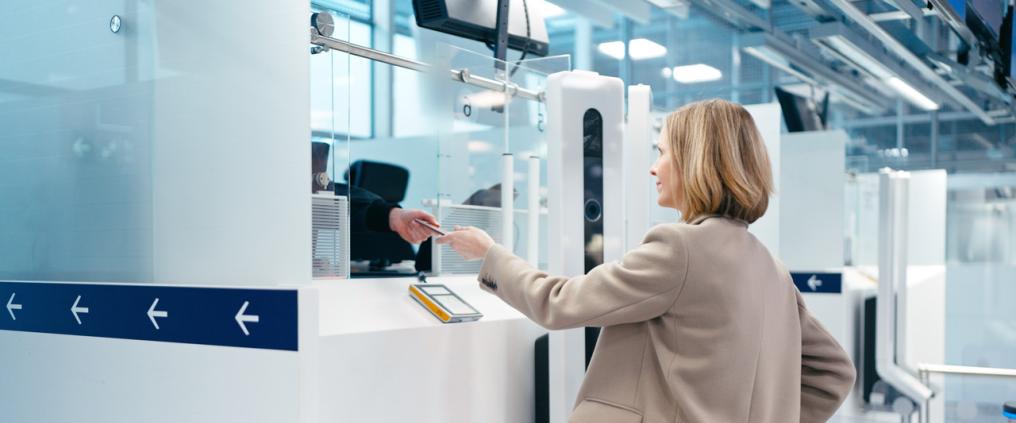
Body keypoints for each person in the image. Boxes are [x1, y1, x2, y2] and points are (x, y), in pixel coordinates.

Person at [437, 99, 856, 423]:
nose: (654, 168)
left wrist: (490, 255)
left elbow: (560, 303)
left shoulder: (681, 248)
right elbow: (835, 373)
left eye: (663, 152)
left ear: (696, 162)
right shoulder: (772, 268)